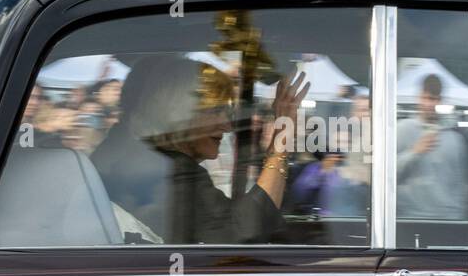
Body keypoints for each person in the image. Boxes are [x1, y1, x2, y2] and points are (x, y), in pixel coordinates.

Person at [91, 55, 308, 244]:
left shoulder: (125, 155)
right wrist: (281, 141)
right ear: (179, 113)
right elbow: (246, 232)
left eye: (228, 112)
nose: (227, 124)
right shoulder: (170, 170)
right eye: (215, 111)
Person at [396, 73, 468, 219]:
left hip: (448, 220)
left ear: (440, 101)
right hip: (409, 219)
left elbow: (460, 184)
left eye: (433, 99)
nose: (429, 104)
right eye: (425, 98)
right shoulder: (403, 129)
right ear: (419, 98)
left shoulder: (455, 139)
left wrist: (459, 217)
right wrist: (414, 152)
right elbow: (387, 174)